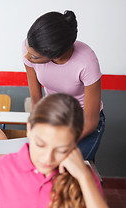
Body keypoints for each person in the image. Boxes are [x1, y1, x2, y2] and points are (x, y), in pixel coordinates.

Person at [22, 10, 105, 161]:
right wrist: (37, 130)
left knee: (69, 170)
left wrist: (58, 141)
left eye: (34, 56)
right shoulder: (32, 48)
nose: (27, 57)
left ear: (56, 55)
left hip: (83, 123)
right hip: (54, 117)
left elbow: (90, 121)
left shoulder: (87, 61)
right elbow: (36, 99)